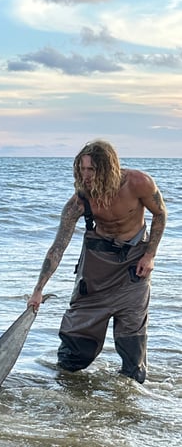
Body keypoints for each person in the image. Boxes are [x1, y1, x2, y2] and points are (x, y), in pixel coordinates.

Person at [27, 139, 168, 383]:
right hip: (96, 266)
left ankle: (129, 399)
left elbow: (160, 213)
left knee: (131, 339)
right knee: (75, 347)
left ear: (108, 168)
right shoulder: (80, 201)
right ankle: (67, 387)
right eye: (82, 169)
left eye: (91, 170)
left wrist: (150, 254)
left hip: (134, 265)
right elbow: (57, 248)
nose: (86, 175)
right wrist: (38, 290)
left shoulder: (137, 183)